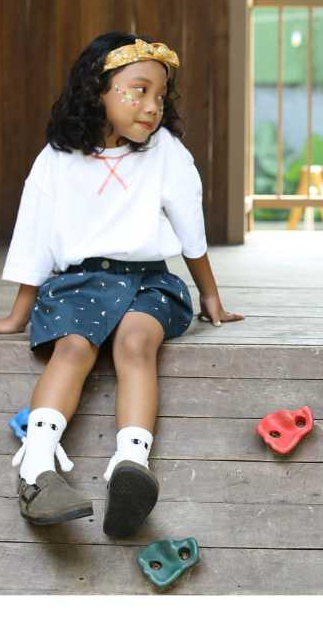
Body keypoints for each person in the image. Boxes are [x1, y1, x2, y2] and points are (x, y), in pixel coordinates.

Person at [0, 32, 243, 537]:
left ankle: (130, 465)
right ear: (98, 90)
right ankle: (37, 471)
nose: (152, 106)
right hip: (78, 283)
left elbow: (190, 229)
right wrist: (18, 314)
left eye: (160, 96)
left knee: (136, 342)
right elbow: (34, 237)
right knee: (73, 347)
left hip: (149, 282)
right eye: (138, 91)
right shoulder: (57, 159)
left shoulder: (165, 152)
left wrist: (210, 296)